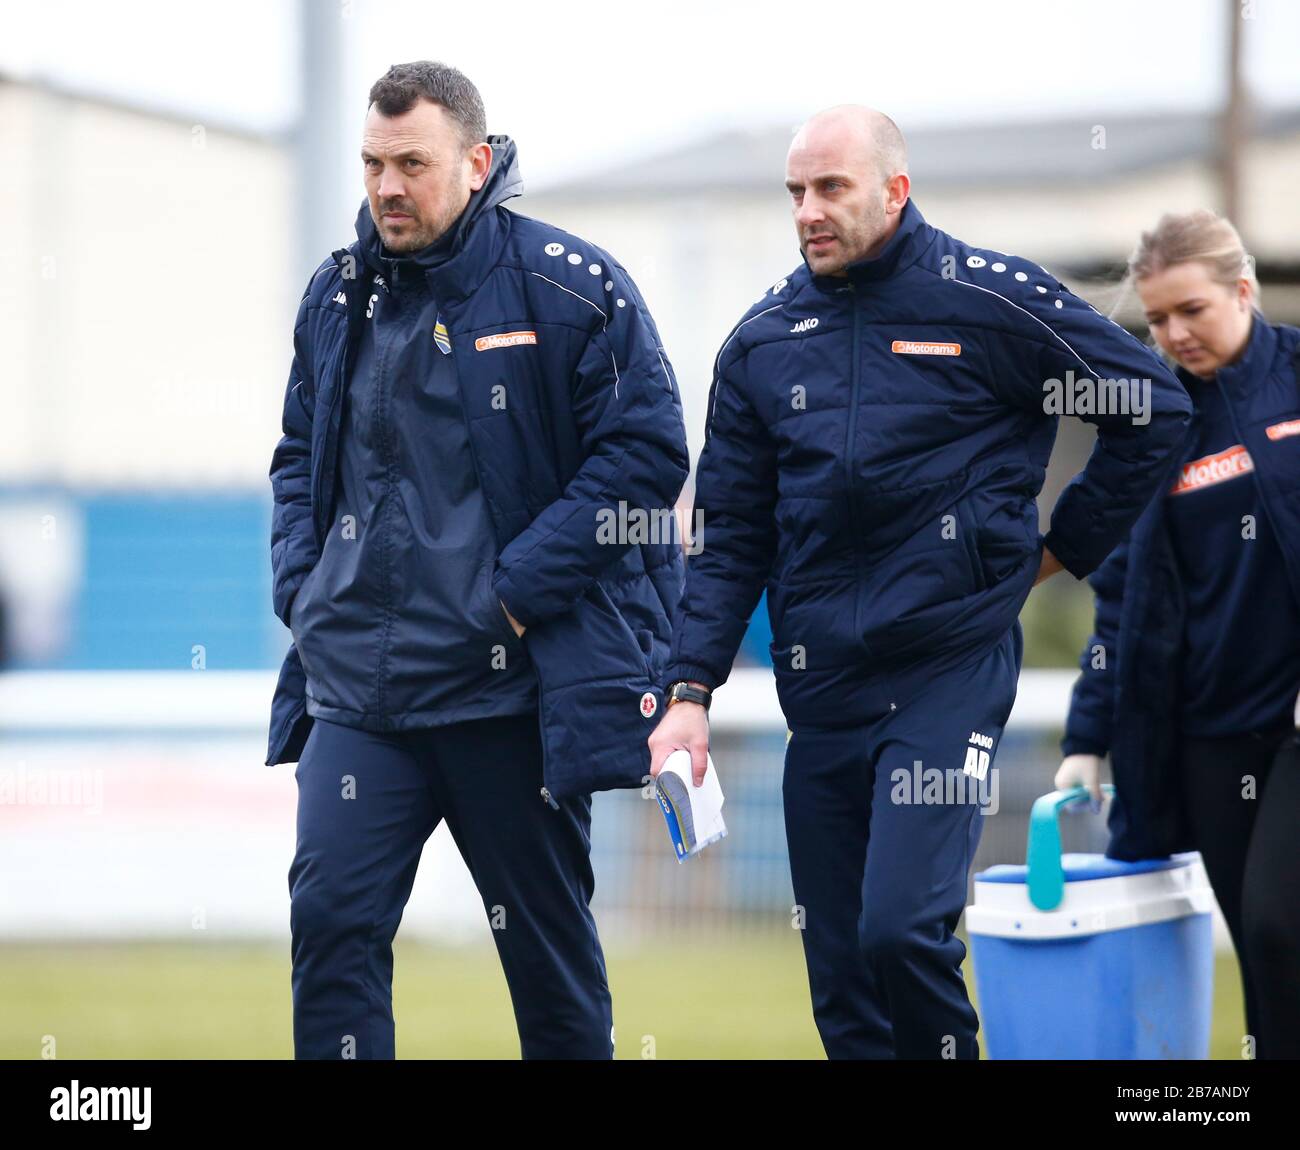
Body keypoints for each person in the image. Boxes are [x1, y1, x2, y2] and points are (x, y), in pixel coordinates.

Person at [648, 105, 1192, 1060]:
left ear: (896, 190)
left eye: (831, 188)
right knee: (843, 983)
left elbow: (1152, 406)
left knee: (900, 929)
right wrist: (689, 689)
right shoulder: (762, 342)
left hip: (949, 670)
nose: (808, 211)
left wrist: (1058, 549)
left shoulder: (992, 300)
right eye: (795, 193)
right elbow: (731, 535)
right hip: (820, 689)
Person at [267, 60, 689, 1059]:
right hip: (359, 699)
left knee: (547, 968)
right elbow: (296, 459)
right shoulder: (335, 295)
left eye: (411, 163)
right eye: (372, 164)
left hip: (512, 695)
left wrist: (511, 597)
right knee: (330, 932)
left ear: (476, 160)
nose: (386, 187)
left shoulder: (567, 286)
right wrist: (302, 587)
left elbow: (644, 459)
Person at [1057, 208, 1300, 1060]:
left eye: (1190, 310)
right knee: (1263, 954)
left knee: (1279, 925)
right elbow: (1120, 599)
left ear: (1244, 289)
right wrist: (1087, 738)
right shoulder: (1152, 426)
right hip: (1205, 734)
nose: (1172, 334)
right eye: (1156, 319)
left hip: (1293, 730)